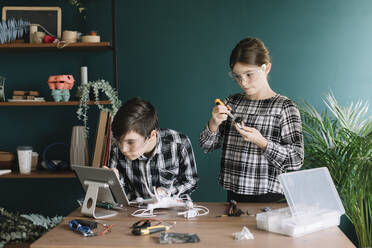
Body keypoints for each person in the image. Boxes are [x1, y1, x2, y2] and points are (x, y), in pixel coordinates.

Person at [199, 37, 304, 203]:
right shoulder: (232, 102)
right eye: (237, 76)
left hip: (270, 197)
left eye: (249, 74)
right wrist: (214, 123)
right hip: (233, 194)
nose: (243, 83)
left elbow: (296, 159)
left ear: (266, 68)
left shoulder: (284, 107)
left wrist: (263, 142)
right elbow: (206, 145)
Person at [109, 97, 198, 201]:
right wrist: (113, 181)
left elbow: (191, 181)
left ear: (152, 135)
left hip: (173, 211)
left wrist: (167, 192)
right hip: (135, 211)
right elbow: (119, 194)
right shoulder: (117, 149)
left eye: (131, 142)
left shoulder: (180, 143)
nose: (123, 149)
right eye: (119, 141)